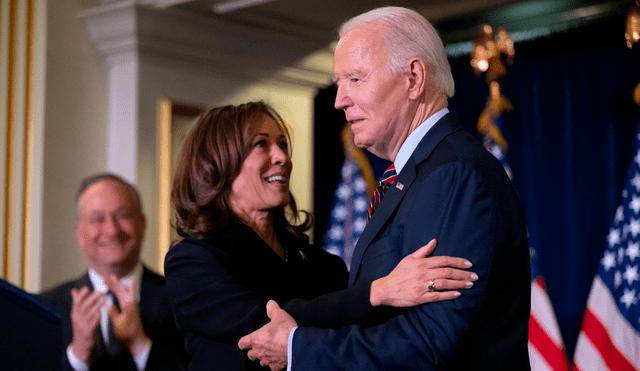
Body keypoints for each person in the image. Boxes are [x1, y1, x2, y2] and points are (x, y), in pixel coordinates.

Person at [238, 6, 531, 371]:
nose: (339, 99)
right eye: (339, 82)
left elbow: (430, 344)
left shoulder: (453, 176)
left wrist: (300, 349)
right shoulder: (420, 172)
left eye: (355, 80)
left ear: (413, 78)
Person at [163, 101, 478, 371]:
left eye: (283, 144)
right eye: (262, 144)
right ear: (220, 163)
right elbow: (268, 327)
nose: (282, 158)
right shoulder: (192, 262)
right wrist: (378, 291)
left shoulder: (324, 266)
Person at [41, 173, 188, 371]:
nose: (111, 230)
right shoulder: (45, 309)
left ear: (143, 225)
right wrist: (79, 353)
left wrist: (140, 344)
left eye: (123, 216)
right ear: (79, 233)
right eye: (97, 219)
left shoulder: (183, 300)